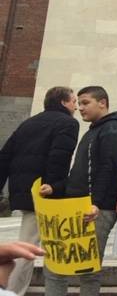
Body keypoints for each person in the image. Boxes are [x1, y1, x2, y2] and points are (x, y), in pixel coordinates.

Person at [44, 86, 117, 296]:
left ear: (102, 103)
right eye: (79, 103)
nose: (80, 108)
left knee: (88, 270)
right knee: (56, 265)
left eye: (85, 102)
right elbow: (80, 173)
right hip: (78, 207)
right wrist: (55, 187)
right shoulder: (95, 130)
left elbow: (108, 169)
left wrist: (96, 203)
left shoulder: (113, 130)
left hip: (94, 210)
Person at [0, 87, 79, 296]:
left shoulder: (28, 123)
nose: (76, 107)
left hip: (23, 191)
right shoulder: (68, 123)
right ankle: (11, 291)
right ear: (63, 102)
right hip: (45, 193)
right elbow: (59, 157)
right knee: (27, 249)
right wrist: (54, 186)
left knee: (28, 242)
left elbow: (5, 156)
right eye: (74, 102)